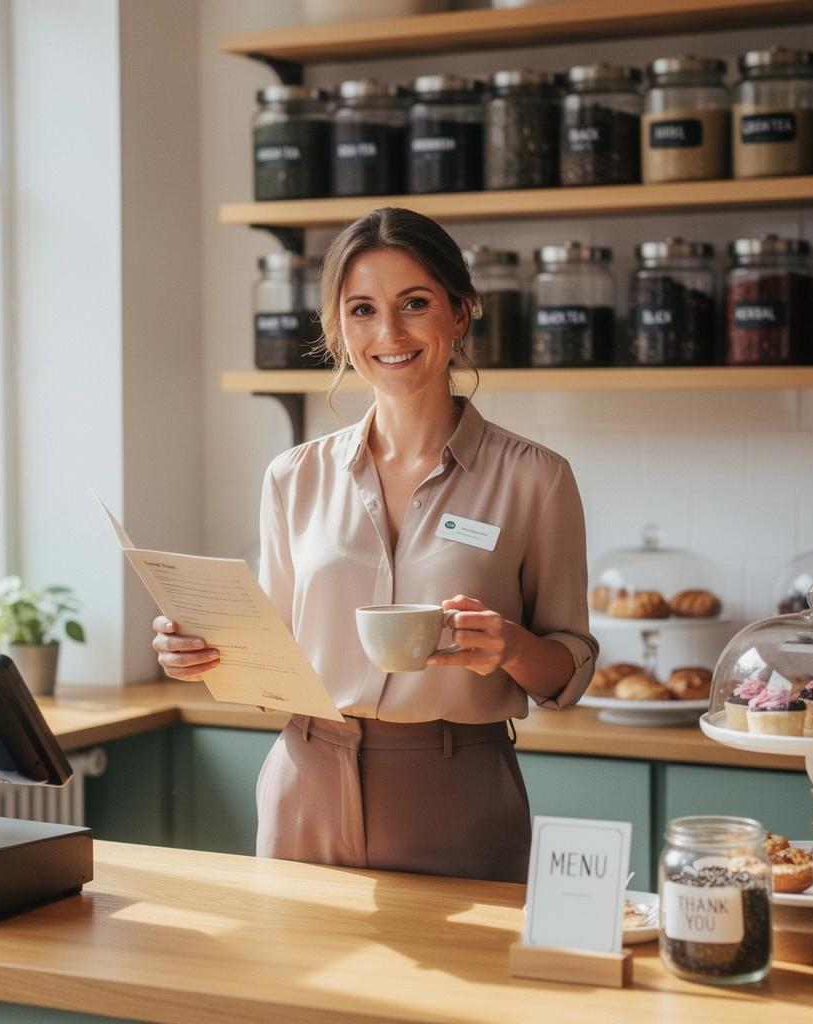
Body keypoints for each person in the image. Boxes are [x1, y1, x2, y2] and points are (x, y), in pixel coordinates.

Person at [153, 207, 597, 883]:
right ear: (338, 329)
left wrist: (510, 646)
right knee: (292, 987)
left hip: (459, 789)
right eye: (362, 310)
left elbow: (571, 670)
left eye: (414, 303)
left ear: (461, 312)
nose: (388, 333)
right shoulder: (292, 477)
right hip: (304, 781)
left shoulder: (536, 479)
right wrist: (198, 650)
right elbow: (268, 656)